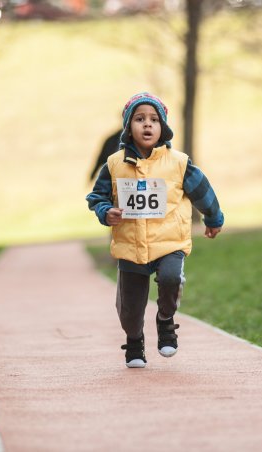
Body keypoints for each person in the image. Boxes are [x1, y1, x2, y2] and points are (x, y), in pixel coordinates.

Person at [86, 92, 224, 368]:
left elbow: (202, 191)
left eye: (153, 119)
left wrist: (213, 218)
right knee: (130, 309)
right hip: (130, 245)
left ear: (163, 127)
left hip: (169, 241)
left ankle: (165, 322)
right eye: (139, 119)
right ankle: (134, 341)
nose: (147, 125)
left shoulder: (178, 162)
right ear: (128, 127)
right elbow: (97, 197)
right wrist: (105, 211)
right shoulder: (114, 164)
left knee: (171, 278)